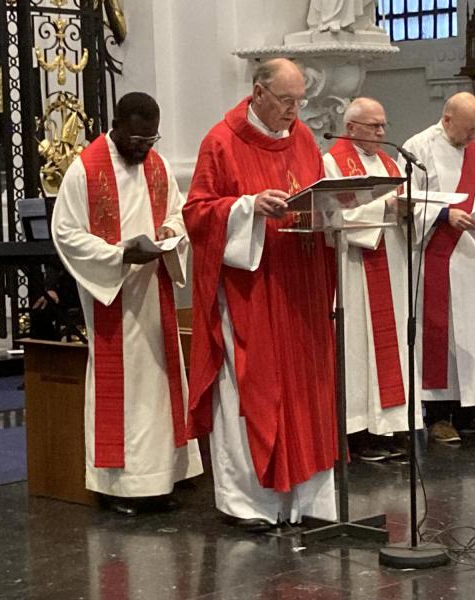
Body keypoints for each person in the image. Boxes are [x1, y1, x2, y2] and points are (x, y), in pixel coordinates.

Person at [184, 58, 338, 532]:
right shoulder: (222, 142)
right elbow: (197, 213)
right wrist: (249, 208)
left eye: (300, 101)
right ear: (258, 93)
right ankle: (247, 503)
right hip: (253, 291)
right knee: (252, 390)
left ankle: (307, 502)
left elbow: (316, 194)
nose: (296, 110)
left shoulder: (305, 139)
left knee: (308, 392)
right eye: (287, 101)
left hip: (301, 286)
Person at [52, 92, 203, 516]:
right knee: (124, 389)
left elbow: (178, 212)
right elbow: (66, 233)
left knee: (161, 382)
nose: (143, 146)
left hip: (155, 291)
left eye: (151, 139)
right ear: (115, 124)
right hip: (112, 295)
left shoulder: (157, 166)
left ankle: (163, 477)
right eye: (136, 137)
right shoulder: (86, 169)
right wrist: (119, 254)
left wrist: (168, 235)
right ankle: (118, 487)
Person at [400, 92, 475, 444]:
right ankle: (438, 416)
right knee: (440, 336)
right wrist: (444, 215)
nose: (474, 138)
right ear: (447, 119)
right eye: (468, 129)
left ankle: (472, 410)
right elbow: (405, 201)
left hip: (470, 256)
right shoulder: (419, 148)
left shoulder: (474, 150)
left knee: (473, 334)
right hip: (436, 255)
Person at [322, 97, 421, 462]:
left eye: (383, 125)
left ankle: (390, 427)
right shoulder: (331, 163)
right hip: (354, 267)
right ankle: (359, 433)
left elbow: (400, 210)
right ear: (350, 128)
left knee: (390, 347)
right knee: (358, 352)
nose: (381, 132)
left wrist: (411, 211)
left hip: (389, 264)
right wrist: (387, 206)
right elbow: (333, 216)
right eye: (373, 126)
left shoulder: (390, 162)